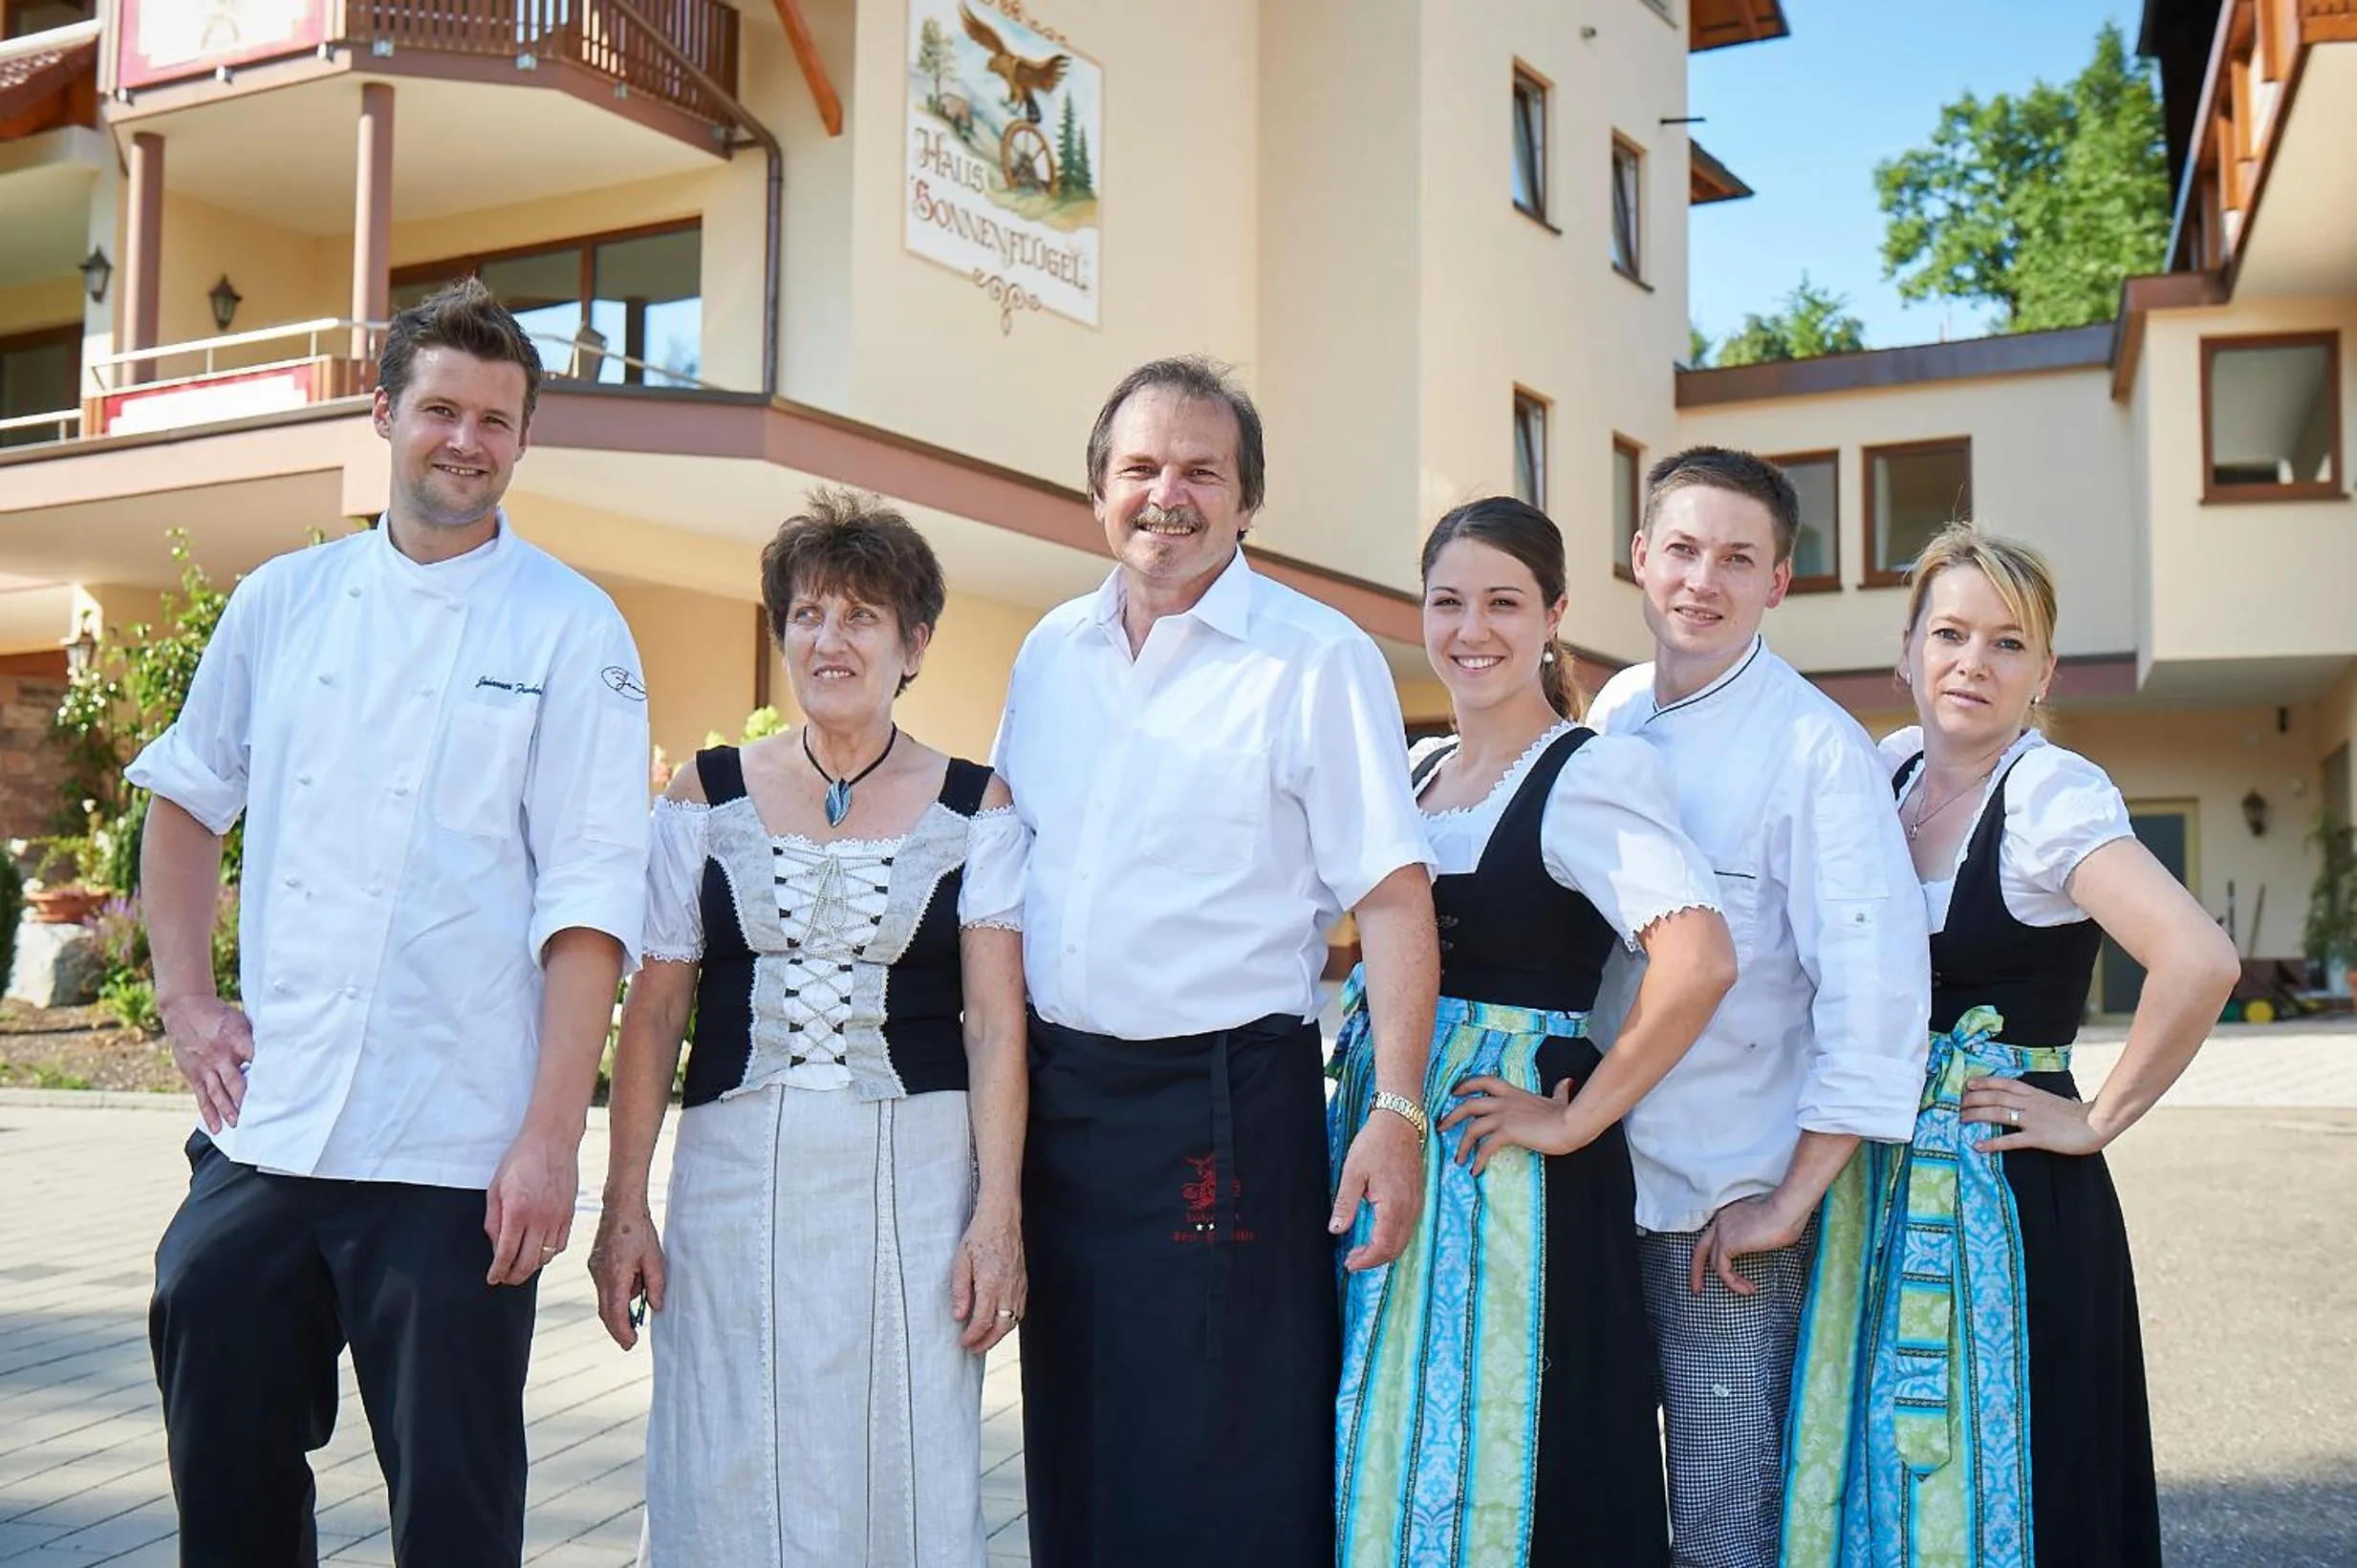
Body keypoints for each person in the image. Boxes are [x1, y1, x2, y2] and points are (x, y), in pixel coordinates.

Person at [132, 278, 651, 1567]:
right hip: (274, 1129)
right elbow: (189, 798)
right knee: (225, 1473)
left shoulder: (573, 629)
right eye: (439, 408)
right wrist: (187, 1001)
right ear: (383, 412)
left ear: (523, 439)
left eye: (494, 417)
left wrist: (549, 1140)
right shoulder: (282, 602)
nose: (465, 439)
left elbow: (588, 907)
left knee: (456, 1514)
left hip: (454, 1154)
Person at [993, 356, 1439, 1568]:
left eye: (1203, 471)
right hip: (1066, 1105)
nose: (1168, 495)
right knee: (1077, 1428)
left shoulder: (1317, 656)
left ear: (1248, 502)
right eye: (1141, 468)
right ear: (1097, 490)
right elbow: (1004, 877)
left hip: (1224, 1106)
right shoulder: (1047, 652)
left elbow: (1394, 903)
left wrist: (1396, 1113)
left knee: (1227, 1450)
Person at [587, 491, 1029, 1568]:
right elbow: (655, 1009)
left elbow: (993, 1022)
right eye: (807, 614)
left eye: (862, 618)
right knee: (725, 1445)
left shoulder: (978, 803)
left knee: (906, 1439)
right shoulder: (710, 791)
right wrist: (623, 1204)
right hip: (734, 1172)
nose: (829, 641)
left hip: (914, 1178)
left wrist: (997, 1216)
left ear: (913, 644)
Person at [1781, 525, 2237, 1568]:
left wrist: (2095, 1117)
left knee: (2005, 1464)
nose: (1971, 664)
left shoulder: (2048, 796)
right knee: (1883, 1466)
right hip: (1877, 1183)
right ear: (1907, 652)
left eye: (2006, 643)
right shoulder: (1888, 773)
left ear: (2044, 675)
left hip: (2004, 1199)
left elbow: (2197, 960)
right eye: (1948, 633)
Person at [1330, 497, 1737, 1567]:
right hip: (1391, 1126)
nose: (1473, 629)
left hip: (1505, 1165)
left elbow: (1700, 958)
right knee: (1386, 1424)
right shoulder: (1415, 774)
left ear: (1554, 615)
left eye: (1504, 602)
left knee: (1516, 1446)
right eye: (1447, 601)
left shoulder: (1588, 772)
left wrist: (1578, 1120)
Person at [1584, 445, 1932, 1568]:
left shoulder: (1816, 750)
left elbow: (1876, 998)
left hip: (1727, 1206)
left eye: (1739, 559)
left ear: (1780, 582)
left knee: (1729, 1519)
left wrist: (1788, 1200)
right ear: (1639, 559)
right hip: (1594, 1175)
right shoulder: (1616, 710)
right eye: (1681, 549)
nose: (1703, 580)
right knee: (1605, 1490)